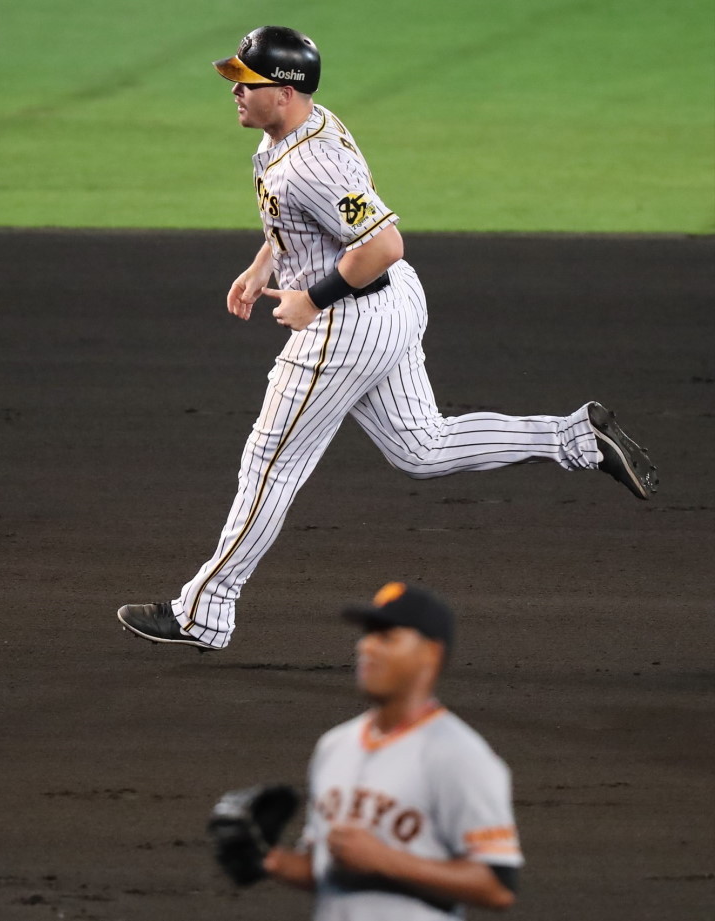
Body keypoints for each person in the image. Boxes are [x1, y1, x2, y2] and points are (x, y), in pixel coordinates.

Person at [117, 26, 658, 651]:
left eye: (249, 80)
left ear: (287, 92)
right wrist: (264, 265)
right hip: (393, 303)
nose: (236, 89)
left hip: (350, 320)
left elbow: (382, 243)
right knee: (419, 447)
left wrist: (311, 298)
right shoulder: (305, 129)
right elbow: (307, 222)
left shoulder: (309, 162)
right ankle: (573, 438)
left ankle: (203, 610)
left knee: (270, 463)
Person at [264, 581, 523, 918]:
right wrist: (269, 859)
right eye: (368, 635)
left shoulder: (459, 755)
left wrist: (386, 861)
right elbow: (326, 867)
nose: (368, 647)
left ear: (431, 653)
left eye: (387, 638)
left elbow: (498, 887)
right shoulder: (334, 746)